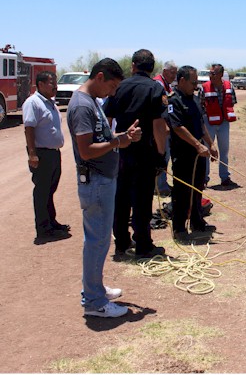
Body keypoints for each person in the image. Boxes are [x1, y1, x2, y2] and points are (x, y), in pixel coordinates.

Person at [67, 58, 142, 317]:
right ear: (99, 77)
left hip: (103, 180)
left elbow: (101, 138)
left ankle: (96, 289)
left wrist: (122, 139)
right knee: (97, 241)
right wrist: (116, 142)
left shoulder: (92, 103)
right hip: (96, 182)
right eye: (111, 86)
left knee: (99, 241)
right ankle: (95, 303)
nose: (112, 92)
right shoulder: (81, 106)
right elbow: (86, 151)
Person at [104, 49, 169, 258]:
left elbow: (107, 119)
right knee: (142, 200)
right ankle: (143, 245)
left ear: (133, 65)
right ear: (152, 67)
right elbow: (160, 126)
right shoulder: (155, 89)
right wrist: (161, 156)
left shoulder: (119, 86)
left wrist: (110, 142)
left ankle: (121, 243)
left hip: (120, 151)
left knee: (120, 198)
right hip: (145, 153)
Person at [163, 66, 218, 239]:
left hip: (199, 153)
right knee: (182, 191)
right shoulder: (173, 101)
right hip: (184, 153)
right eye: (193, 82)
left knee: (198, 187)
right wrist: (197, 145)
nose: (196, 86)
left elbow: (201, 124)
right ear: (181, 81)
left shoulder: (194, 99)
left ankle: (197, 221)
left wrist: (210, 144)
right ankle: (179, 228)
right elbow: (177, 127)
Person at [22, 71, 71, 245]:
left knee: (50, 190)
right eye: (51, 83)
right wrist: (32, 154)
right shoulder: (33, 103)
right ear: (40, 84)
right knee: (42, 192)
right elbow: (29, 128)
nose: (55, 86)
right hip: (41, 154)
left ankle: (52, 222)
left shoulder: (50, 102)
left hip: (53, 153)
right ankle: (43, 229)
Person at [200, 63, 239, 188]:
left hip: (224, 123)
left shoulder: (229, 86)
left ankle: (224, 177)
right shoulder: (203, 88)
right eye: (210, 73)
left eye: (213, 73)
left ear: (221, 74)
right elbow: (199, 106)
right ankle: (204, 178)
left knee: (224, 150)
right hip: (208, 123)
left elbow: (232, 102)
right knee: (206, 150)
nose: (210, 76)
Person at [154, 61, 177, 196]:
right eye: (172, 72)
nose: (174, 75)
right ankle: (160, 186)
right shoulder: (159, 84)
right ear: (164, 71)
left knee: (165, 156)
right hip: (162, 127)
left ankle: (162, 183)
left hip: (165, 126)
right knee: (162, 155)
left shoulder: (166, 84)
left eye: (175, 73)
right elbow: (160, 108)